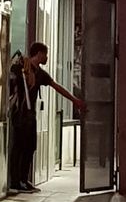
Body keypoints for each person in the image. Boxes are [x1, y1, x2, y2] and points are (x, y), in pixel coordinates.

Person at [8, 41, 85, 193]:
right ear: (39, 53)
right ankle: (15, 181)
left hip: (30, 114)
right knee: (19, 147)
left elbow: (57, 87)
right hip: (20, 113)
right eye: (46, 54)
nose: (47, 57)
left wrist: (74, 100)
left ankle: (23, 179)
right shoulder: (21, 68)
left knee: (30, 147)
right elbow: (11, 82)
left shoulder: (40, 74)